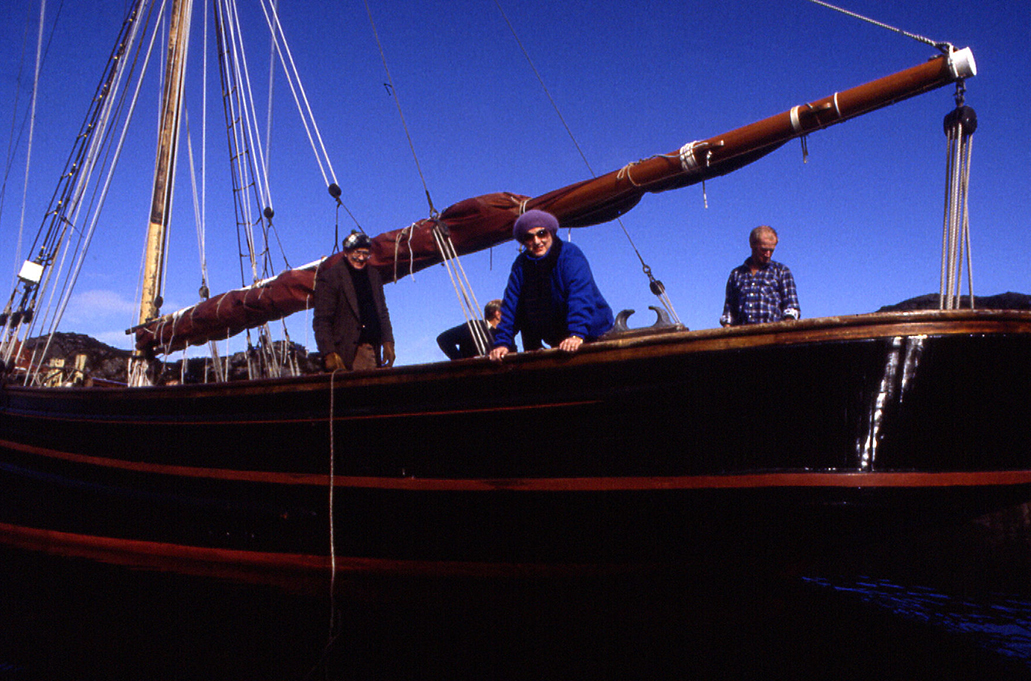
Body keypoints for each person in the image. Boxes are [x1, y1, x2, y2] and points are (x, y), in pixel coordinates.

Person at [489, 210, 613, 361]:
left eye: (542, 234)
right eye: (529, 237)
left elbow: (579, 295)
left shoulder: (569, 255)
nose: (536, 241)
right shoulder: (521, 265)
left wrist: (576, 334)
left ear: (551, 234)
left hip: (593, 333)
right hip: (558, 340)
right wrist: (502, 343)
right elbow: (511, 306)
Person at [313, 231, 395, 371]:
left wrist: (388, 341)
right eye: (357, 253)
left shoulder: (374, 277)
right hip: (346, 353)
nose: (361, 258)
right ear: (346, 252)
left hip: (373, 350)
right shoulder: (331, 278)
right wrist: (329, 353)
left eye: (366, 254)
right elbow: (322, 320)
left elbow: (382, 312)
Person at [720, 225, 800, 326]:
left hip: (773, 336)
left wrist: (784, 332)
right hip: (741, 336)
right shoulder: (736, 274)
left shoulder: (782, 271)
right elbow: (729, 312)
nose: (768, 254)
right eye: (764, 249)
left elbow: (791, 309)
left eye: (771, 250)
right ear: (752, 245)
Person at [437, 299, 503, 360]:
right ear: (498, 314)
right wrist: (460, 361)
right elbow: (443, 339)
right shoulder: (474, 327)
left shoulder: (504, 335)